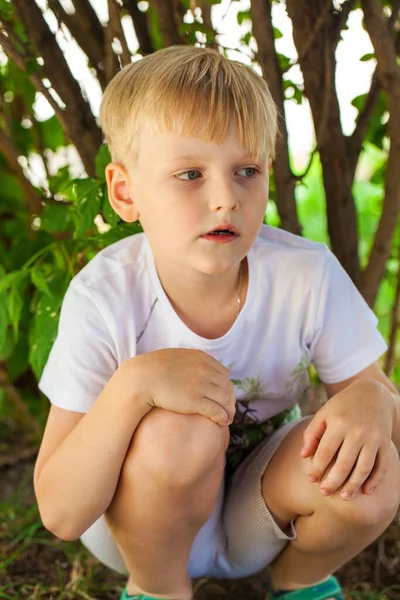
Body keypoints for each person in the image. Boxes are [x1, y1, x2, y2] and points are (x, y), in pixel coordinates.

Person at [33, 46, 400, 600]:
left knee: (375, 470)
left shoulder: (306, 275)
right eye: (189, 174)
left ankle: (299, 582)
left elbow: (375, 409)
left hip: (259, 519)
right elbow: (61, 512)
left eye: (246, 170)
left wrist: (376, 400)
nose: (226, 198)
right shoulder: (105, 297)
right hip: (136, 528)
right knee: (177, 429)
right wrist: (134, 387)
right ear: (125, 191)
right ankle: (158, 590)